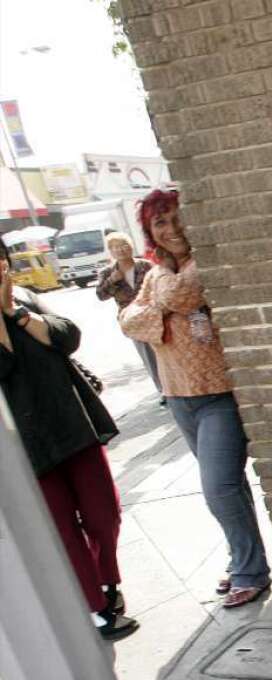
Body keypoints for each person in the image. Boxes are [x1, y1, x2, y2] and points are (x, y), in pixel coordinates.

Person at [118, 190, 272, 608]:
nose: (172, 230)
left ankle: (250, 570)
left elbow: (184, 296)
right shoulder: (155, 274)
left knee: (218, 488)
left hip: (217, 393)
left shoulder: (199, 262)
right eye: (159, 225)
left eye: (175, 218)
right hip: (178, 397)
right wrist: (161, 314)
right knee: (230, 488)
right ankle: (244, 559)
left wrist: (162, 303)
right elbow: (128, 319)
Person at [0, 238, 138, 640]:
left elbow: (68, 336)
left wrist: (16, 312)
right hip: (26, 447)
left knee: (104, 514)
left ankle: (107, 582)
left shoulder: (25, 297)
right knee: (63, 530)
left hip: (71, 425)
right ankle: (96, 607)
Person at [96, 231, 163, 403]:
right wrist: (112, 280)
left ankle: (174, 386)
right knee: (148, 355)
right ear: (110, 251)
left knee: (164, 349)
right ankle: (163, 391)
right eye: (116, 247)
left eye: (124, 245)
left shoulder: (145, 265)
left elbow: (159, 285)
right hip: (132, 320)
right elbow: (101, 295)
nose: (121, 250)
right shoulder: (107, 272)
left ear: (131, 246)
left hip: (153, 314)